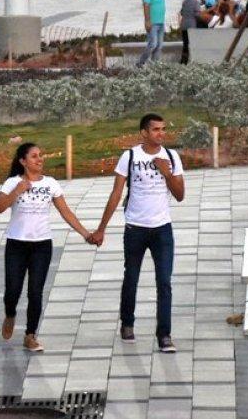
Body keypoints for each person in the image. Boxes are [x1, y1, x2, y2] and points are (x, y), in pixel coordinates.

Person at [88, 113, 186, 352]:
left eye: (163, 129)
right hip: (135, 228)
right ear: (144, 132)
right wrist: (101, 228)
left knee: (164, 282)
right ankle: (127, 323)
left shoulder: (171, 157)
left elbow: (180, 195)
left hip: (162, 229)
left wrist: (166, 171)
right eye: (155, 130)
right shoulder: (130, 156)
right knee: (131, 276)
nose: (161, 134)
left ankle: (164, 335)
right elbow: (116, 193)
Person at [0, 143, 96, 353]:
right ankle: (10, 314)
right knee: (12, 290)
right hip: (17, 244)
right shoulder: (12, 182)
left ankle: (30, 335)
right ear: (23, 161)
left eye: (41, 156)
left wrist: (86, 234)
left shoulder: (51, 184)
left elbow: (66, 212)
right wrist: (17, 191)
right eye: (34, 156)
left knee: (35, 291)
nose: (40, 160)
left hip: (42, 246)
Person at [137, 0, 167, 67]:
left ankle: (155, 65)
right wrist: (147, 21)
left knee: (159, 46)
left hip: (161, 23)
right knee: (153, 44)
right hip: (153, 23)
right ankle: (140, 63)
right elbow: (146, 6)